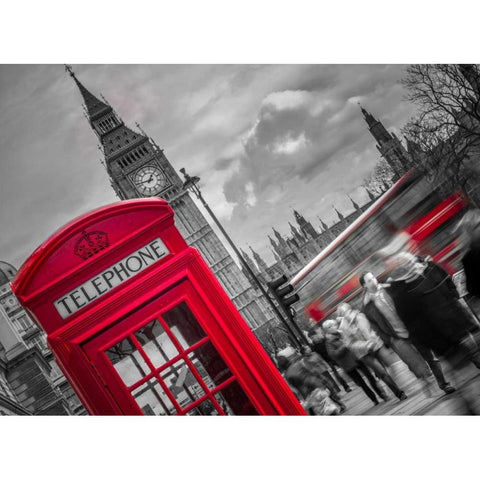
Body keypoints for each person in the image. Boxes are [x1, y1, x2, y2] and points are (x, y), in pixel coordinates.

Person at [387, 252, 480, 412]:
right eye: (408, 264)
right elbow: (415, 326)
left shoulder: (426, 271)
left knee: (467, 377)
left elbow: (448, 296)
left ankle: (467, 406)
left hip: (460, 330)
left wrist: (469, 324)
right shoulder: (402, 293)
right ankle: (468, 408)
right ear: (401, 270)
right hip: (445, 342)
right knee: (466, 379)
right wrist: (439, 345)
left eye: (412, 261)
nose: (413, 265)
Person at [359, 270, 455, 395]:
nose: (374, 280)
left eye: (373, 277)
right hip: (398, 337)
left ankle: (443, 384)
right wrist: (388, 339)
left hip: (412, 327)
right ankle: (425, 380)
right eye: (369, 280)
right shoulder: (367, 307)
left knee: (431, 357)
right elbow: (375, 326)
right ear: (365, 286)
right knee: (414, 364)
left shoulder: (389, 288)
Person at [336, 302, 407, 401]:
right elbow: (350, 344)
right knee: (382, 372)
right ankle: (399, 393)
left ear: (351, 309)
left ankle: (393, 382)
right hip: (364, 353)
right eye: (343, 313)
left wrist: (374, 339)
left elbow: (371, 329)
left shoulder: (360, 316)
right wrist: (365, 345)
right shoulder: (343, 328)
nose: (347, 314)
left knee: (391, 364)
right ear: (341, 316)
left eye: (348, 311)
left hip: (377, 345)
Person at [322, 318, 388, 406]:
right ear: (328, 329)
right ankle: (374, 399)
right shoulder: (328, 342)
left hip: (357, 357)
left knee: (370, 377)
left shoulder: (342, 333)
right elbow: (334, 355)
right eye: (333, 325)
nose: (336, 326)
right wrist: (344, 345)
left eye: (335, 324)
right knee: (362, 383)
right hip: (348, 365)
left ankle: (382, 394)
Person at [277, 347, 346, 415]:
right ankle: (339, 407)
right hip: (315, 384)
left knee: (319, 407)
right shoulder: (299, 364)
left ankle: (332, 411)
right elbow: (312, 371)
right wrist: (321, 378)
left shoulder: (287, 375)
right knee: (327, 398)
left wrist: (302, 398)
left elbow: (295, 389)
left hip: (306, 392)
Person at [309, 326, 352, 393]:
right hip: (329, 361)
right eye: (311, 338)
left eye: (312, 337)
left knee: (346, 368)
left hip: (335, 356)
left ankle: (355, 380)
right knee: (337, 374)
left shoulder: (324, 339)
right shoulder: (314, 347)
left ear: (316, 335)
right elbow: (318, 356)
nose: (312, 339)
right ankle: (346, 387)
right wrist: (325, 364)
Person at [459, 209, 480, 297]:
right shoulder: (468, 259)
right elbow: (472, 288)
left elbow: (472, 289)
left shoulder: (468, 258)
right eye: (478, 225)